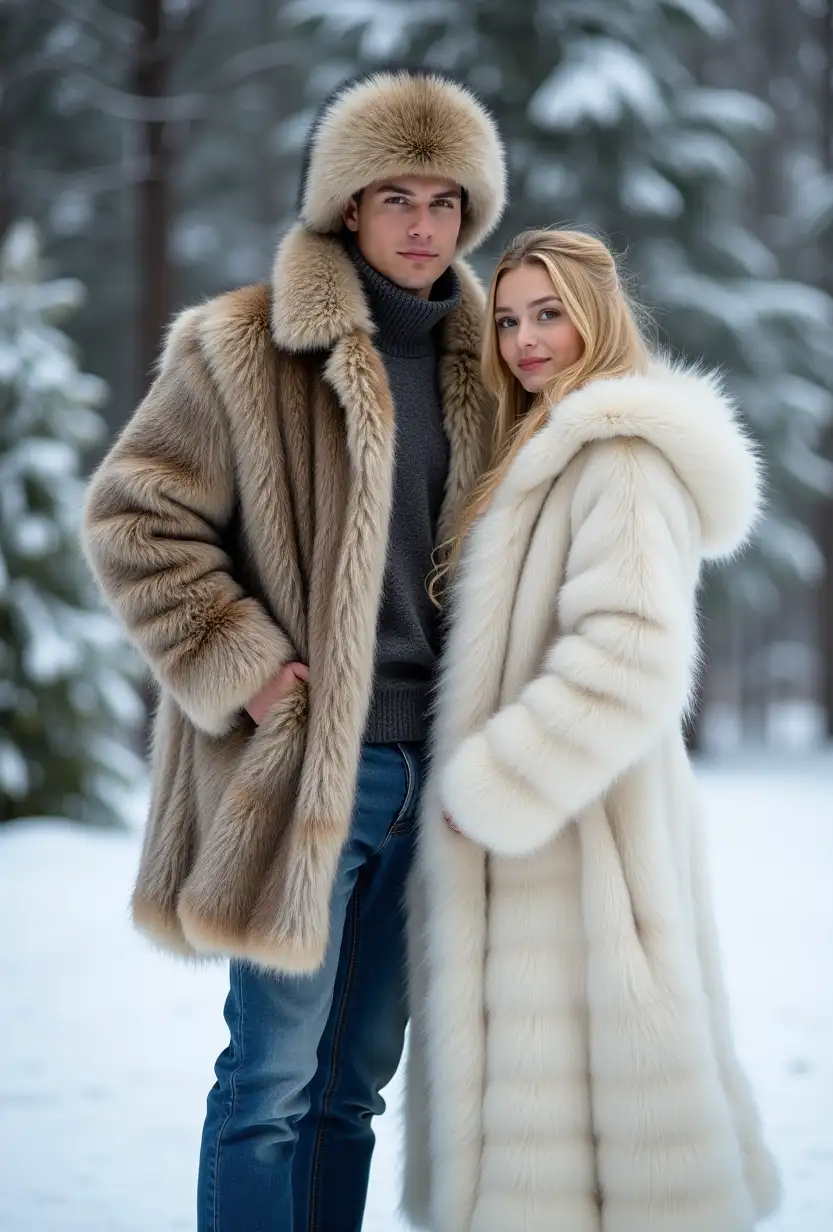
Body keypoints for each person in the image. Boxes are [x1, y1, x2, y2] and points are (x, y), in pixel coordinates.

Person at [82, 70, 506, 1232]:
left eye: (445, 200)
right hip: (305, 763)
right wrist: (245, 662)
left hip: (441, 781)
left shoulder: (499, 361)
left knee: (353, 1089)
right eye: (394, 197)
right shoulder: (240, 345)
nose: (422, 225)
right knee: (269, 1082)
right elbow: (133, 515)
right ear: (345, 209)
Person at [403, 229, 781, 1231]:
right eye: (511, 317)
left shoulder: (613, 451)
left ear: (598, 315)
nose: (526, 339)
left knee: (602, 1150)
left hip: (575, 838)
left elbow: (633, 654)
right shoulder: (538, 439)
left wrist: (493, 786)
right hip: (552, 833)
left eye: (549, 313)